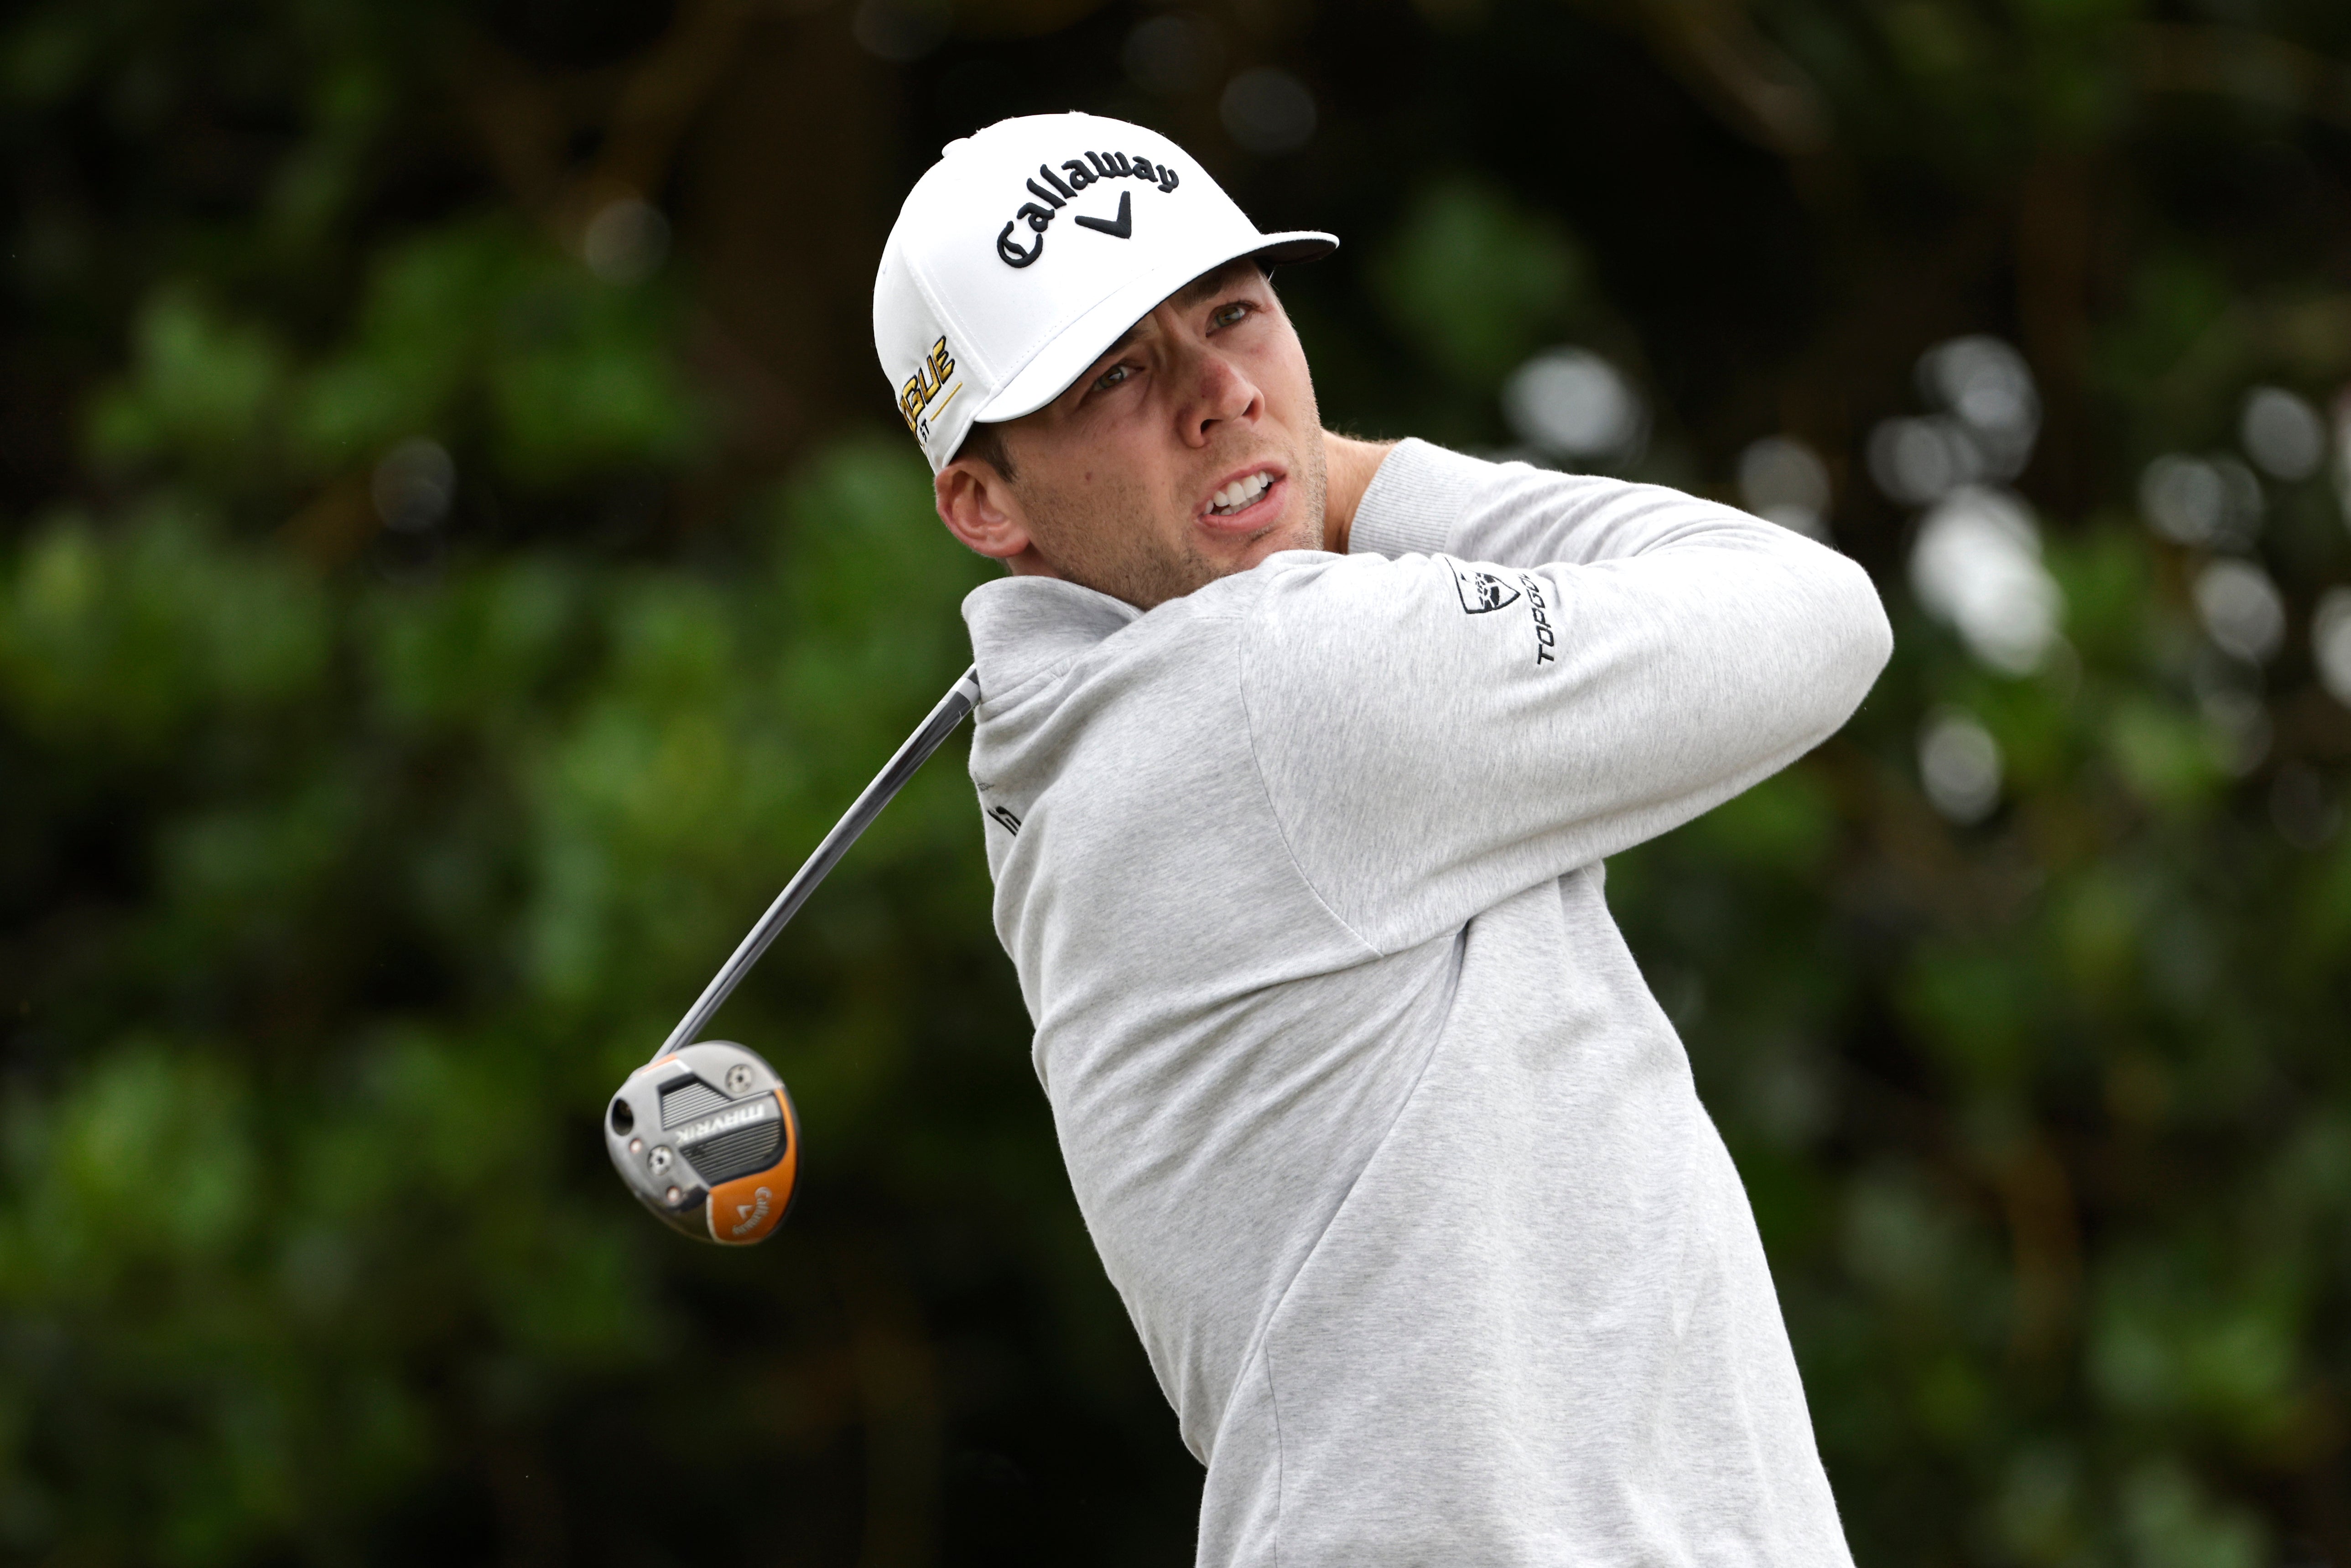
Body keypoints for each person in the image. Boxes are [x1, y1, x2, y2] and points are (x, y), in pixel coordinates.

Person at [873, 111, 1892, 1565]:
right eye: (1116, 375)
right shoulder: (1279, 683)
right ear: (982, 503)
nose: (1219, 391)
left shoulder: (1090, 745)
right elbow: (1812, 617)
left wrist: (1262, 486)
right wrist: (1349, 475)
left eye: (1233, 313)